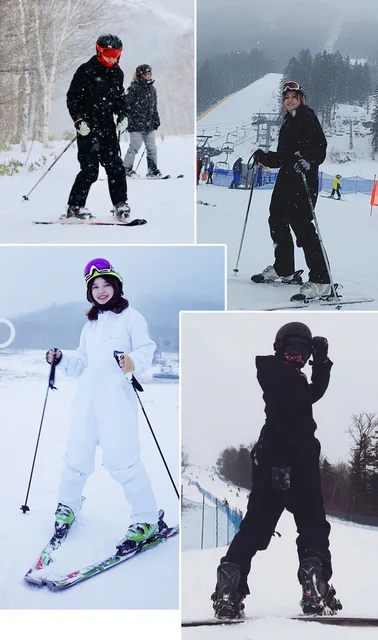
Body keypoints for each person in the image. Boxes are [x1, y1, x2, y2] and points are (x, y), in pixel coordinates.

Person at [211, 322, 342, 620]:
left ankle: (230, 590)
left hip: (285, 459)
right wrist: (320, 364)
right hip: (285, 460)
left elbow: (311, 393)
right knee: (310, 527)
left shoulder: (282, 374)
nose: (298, 358)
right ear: (280, 350)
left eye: (303, 353)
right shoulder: (279, 375)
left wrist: (319, 363)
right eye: (293, 351)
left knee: (260, 526)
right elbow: (309, 397)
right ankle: (314, 584)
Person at [46, 258, 160, 551]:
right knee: (76, 456)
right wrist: (62, 360)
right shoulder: (91, 324)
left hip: (116, 402)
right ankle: (68, 505)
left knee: (123, 461)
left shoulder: (132, 318)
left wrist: (130, 361)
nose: (100, 291)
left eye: (105, 285)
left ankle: (146, 518)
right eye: (94, 286)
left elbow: (147, 349)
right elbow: (83, 361)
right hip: (86, 401)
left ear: (116, 287)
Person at [251, 81, 331, 300]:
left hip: (303, 179)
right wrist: (264, 157)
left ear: (301, 99)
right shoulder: (288, 121)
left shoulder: (307, 116)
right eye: (286, 97)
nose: (290, 100)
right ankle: (284, 268)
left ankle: (322, 280)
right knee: (276, 220)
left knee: (303, 227)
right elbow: (283, 157)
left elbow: (320, 147)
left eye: (294, 96)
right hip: (285, 180)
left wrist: (309, 160)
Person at [65, 34, 130, 221]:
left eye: (117, 53)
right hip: (88, 128)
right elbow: (72, 98)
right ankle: (75, 206)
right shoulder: (86, 71)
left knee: (116, 166)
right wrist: (78, 120)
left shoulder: (118, 73)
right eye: (109, 53)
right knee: (90, 170)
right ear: (100, 51)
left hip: (107, 128)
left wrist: (123, 115)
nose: (113, 57)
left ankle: (120, 204)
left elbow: (119, 99)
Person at [123, 64, 161, 178]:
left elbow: (154, 107)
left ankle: (152, 170)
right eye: (147, 73)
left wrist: (156, 118)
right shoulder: (134, 88)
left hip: (148, 124)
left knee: (152, 148)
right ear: (141, 75)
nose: (149, 75)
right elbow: (126, 105)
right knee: (135, 146)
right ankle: (126, 168)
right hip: (136, 124)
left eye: (150, 73)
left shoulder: (152, 89)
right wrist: (130, 116)